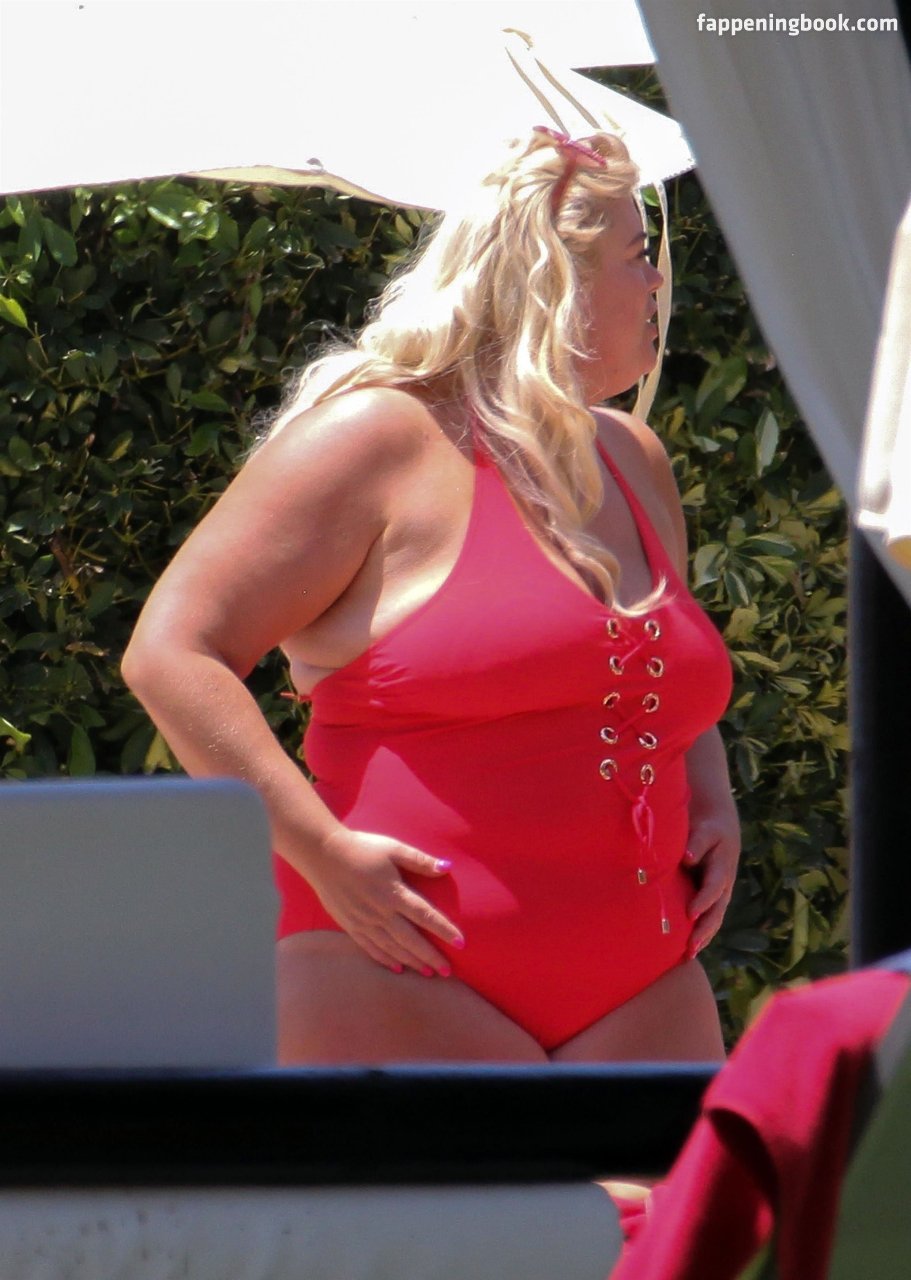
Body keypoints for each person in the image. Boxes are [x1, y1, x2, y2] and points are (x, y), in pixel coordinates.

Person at [122, 126, 740, 1067]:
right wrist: (319, 851)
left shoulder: (631, 455)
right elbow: (170, 652)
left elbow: (657, 675)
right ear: (555, 278)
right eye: (635, 255)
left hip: (647, 977)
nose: (656, 281)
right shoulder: (376, 438)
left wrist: (712, 798)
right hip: (393, 964)